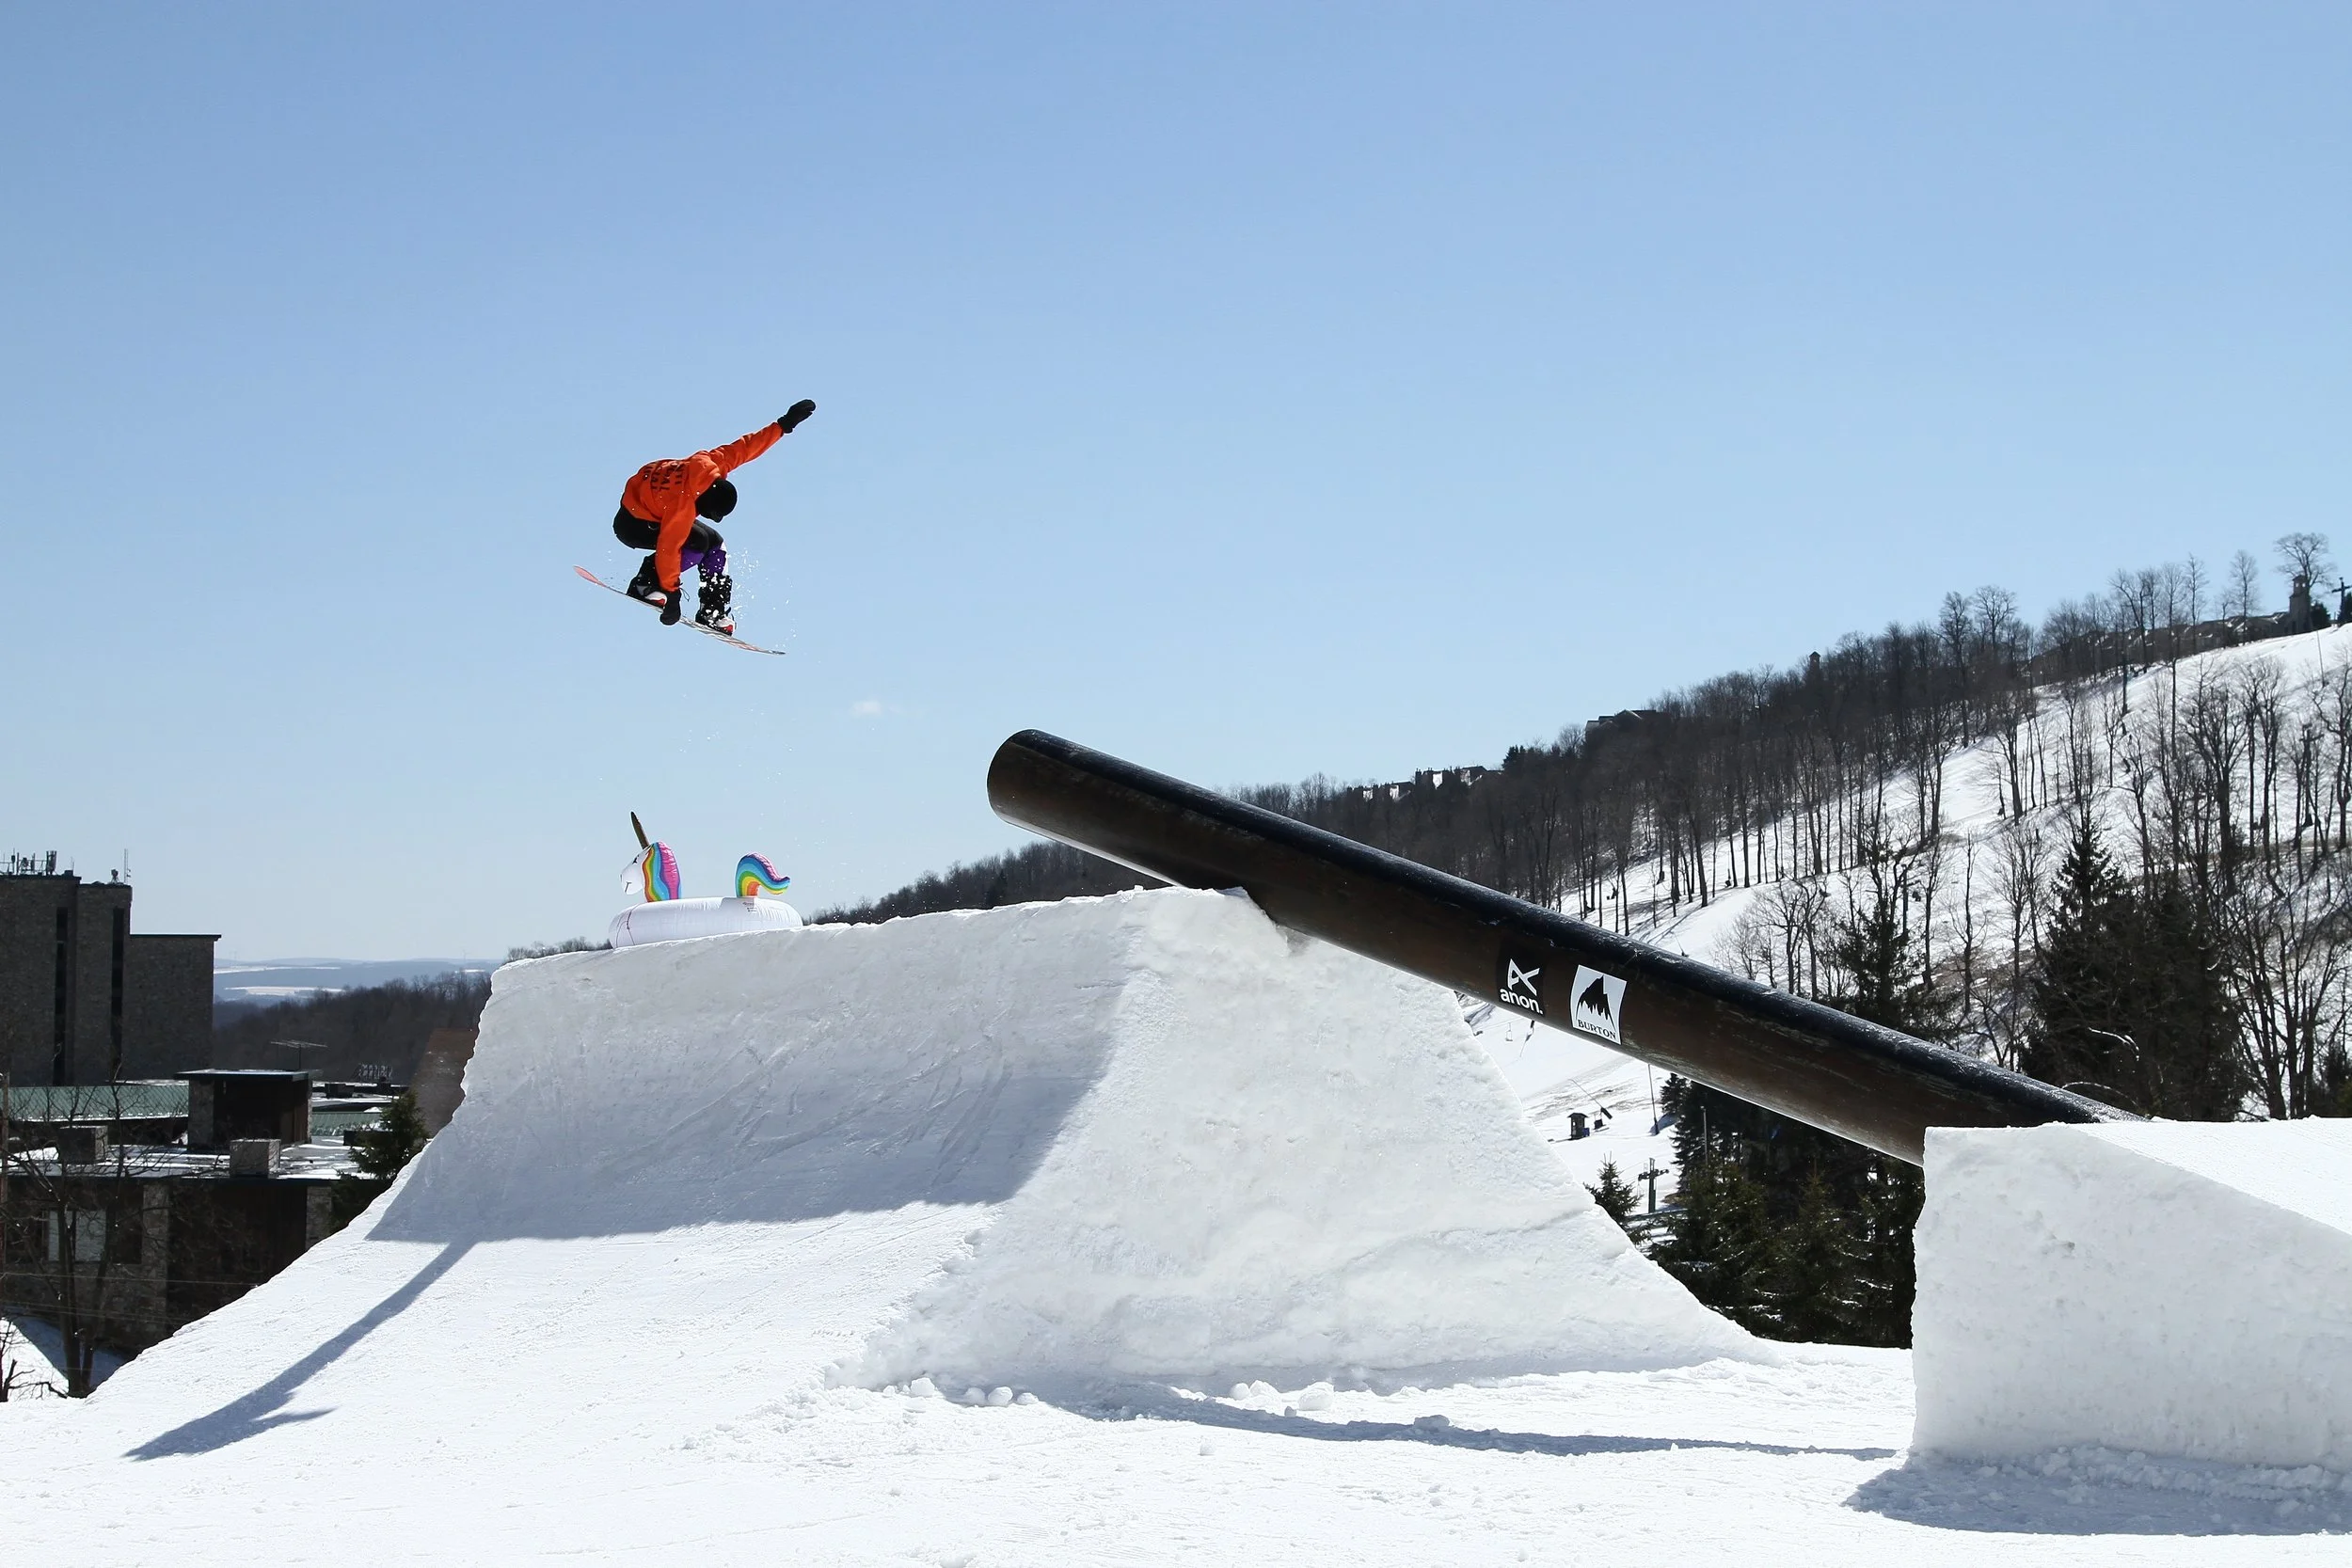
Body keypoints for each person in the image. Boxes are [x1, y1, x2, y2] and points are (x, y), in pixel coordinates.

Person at [614, 400, 817, 632]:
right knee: (697, 543)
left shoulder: (712, 465)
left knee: (716, 545)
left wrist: (784, 425)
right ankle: (645, 583)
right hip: (632, 525)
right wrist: (672, 595)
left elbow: (746, 448)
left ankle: (712, 611)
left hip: (654, 512)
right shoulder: (681, 505)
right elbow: (668, 548)